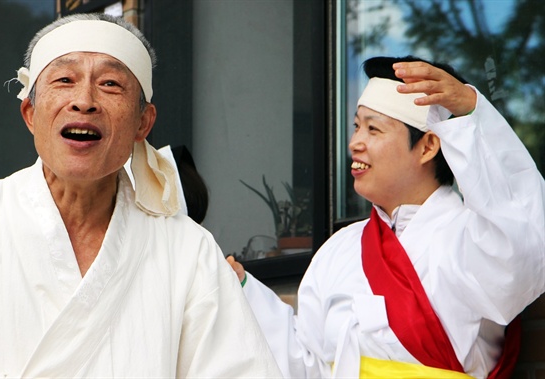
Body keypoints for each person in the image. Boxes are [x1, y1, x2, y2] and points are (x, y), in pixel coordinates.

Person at [0, 13, 282, 378]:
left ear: (143, 123)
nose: (84, 101)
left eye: (109, 84)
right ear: (30, 113)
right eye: (64, 80)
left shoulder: (187, 250)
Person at [227, 55, 545, 378]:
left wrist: (470, 109)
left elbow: (525, 254)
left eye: (373, 130)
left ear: (428, 146)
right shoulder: (338, 249)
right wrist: (242, 291)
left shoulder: (473, 237)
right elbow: (306, 366)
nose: (355, 143)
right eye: (356, 126)